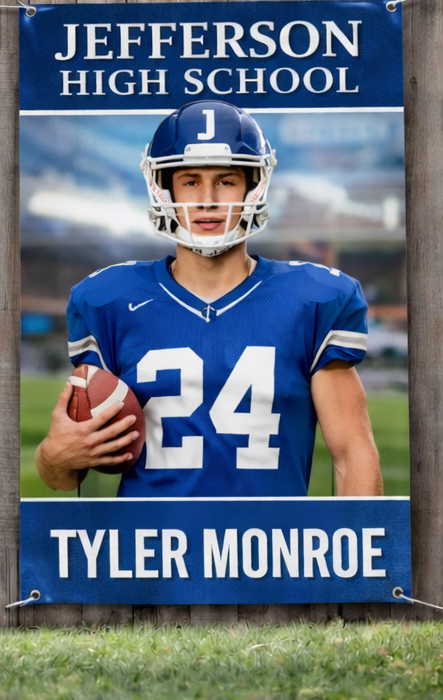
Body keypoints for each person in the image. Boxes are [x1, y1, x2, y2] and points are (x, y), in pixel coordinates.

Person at [35, 100, 383, 498]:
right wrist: (56, 457)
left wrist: (355, 550)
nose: (207, 199)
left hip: (272, 551)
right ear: (163, 189)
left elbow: (352, 453)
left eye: (226, 180)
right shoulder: (109, 300)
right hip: (150, 551)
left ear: (253, 187)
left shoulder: (313, 301)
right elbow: (65, 475)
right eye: (189, 181)